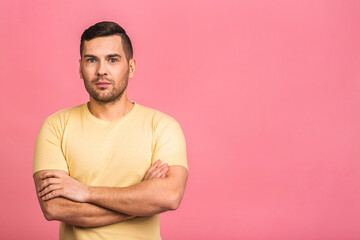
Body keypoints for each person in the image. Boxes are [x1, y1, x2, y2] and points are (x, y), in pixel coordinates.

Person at [33, 21, 188, 240]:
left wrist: (85, 192)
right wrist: (140, 201)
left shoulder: (162, 127)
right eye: (91, 60)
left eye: (112, 59)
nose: (101, 70)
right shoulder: (55, 126)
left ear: (131, 67)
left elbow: (169, 196)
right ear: (80, 68)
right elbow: (55, 209)